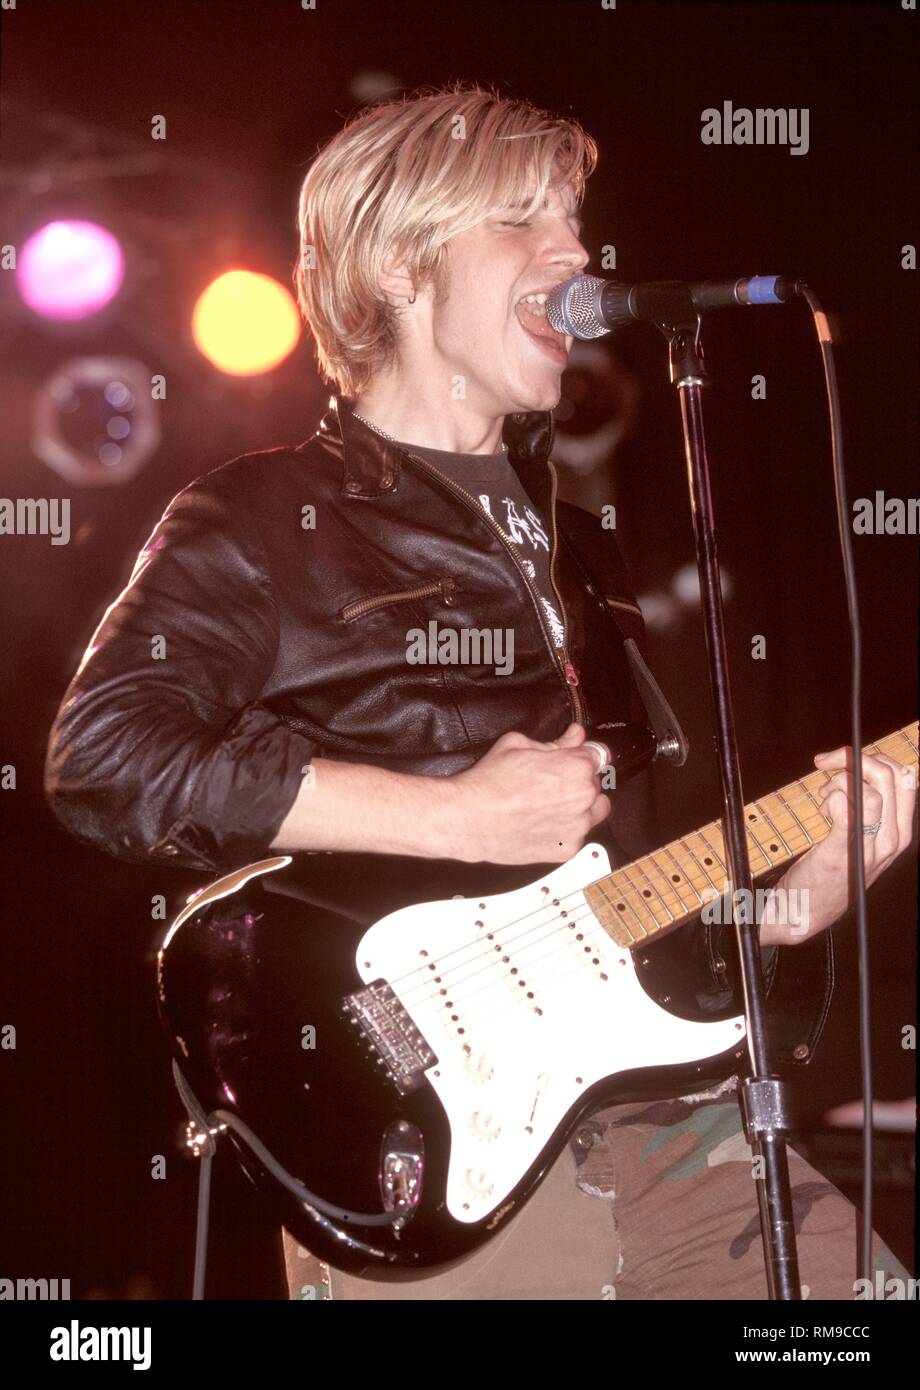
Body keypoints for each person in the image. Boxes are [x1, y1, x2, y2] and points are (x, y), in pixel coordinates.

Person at [44, 83, 916, 1301]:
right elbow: (107, 760)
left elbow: (624, 883)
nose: (574, 254)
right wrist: (448, 820)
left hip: (677, 1123)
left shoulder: (581, 546)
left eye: (573, 220)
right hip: (430, 1128)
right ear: (400, 263)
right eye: (522, 220)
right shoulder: (260, 519)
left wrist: (792, 900)